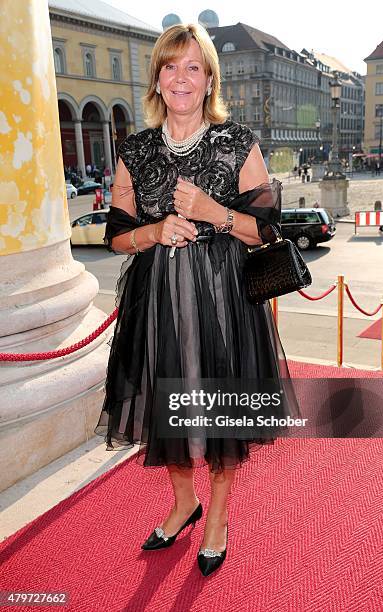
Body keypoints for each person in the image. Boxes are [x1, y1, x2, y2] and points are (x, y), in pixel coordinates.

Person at [94, 23, 301, 577]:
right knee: (170, 412)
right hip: (158, 299)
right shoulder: (135, 150)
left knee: (221, 414)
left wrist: (216, 213)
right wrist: (154, 230)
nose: (180, 77)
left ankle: (219, 517)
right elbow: (115, 235)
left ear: (209, 79)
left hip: (225, 300)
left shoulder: (237, 143)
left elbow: (268, 231)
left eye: (193, 67)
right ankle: (185, 502)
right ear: (157, 80)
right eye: (170, 66)